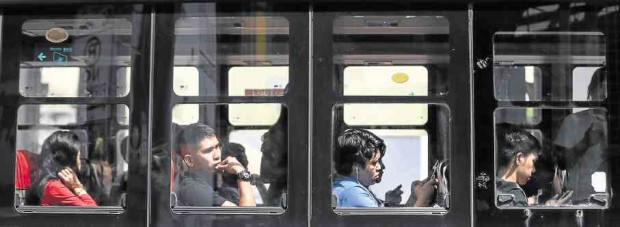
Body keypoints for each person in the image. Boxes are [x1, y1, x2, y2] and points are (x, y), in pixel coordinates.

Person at [332, 128, 437, 207]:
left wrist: (414, 198)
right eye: (374, 163)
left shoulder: (349, 186)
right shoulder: (353, 193)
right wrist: (423, 200)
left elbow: (383, 217)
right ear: (356, 168)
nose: (380, 167)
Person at [553, 67, 607, 205]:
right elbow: (560, 164)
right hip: (581, 199)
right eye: (601, 87)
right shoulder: (573, 122)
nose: (604, 94)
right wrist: (585, 142)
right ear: (592, 90)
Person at [175, 123, 255, 206]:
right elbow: (247, 215)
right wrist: (241, 171)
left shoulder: (205, 183)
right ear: (190, 161)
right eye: (208, 151)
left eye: (217, 147)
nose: (217, 155)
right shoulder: (194, 189)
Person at [25, 131, 97, 206]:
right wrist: (78, 188)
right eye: (79, 157)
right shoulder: (54, 187)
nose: (81, 162)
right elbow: (93, 213)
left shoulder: (50, 183)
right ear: (69, 160)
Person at [495, 125, 541, 207]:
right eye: (533, 161)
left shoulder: (493, 188)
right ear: (519, 159)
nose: (534, 170)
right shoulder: (516, 196)